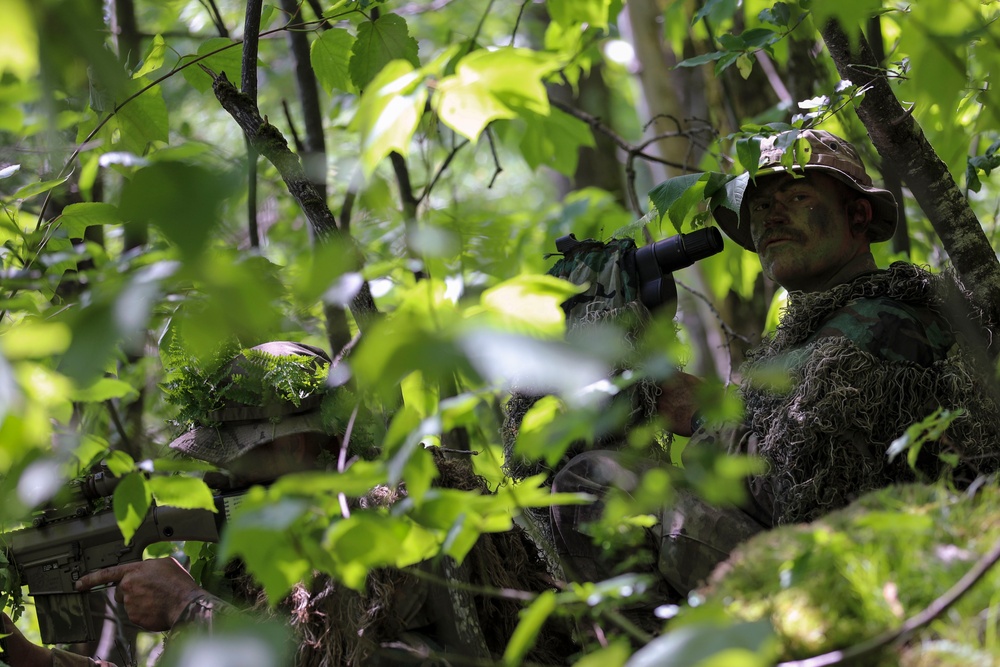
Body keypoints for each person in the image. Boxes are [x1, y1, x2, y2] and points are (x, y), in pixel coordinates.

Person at [547, 129, 1000, 598]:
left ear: (858, 215)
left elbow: (799, 489)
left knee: (591, 481)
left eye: (798, 195)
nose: (772, 216)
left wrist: (703, 415)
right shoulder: (818, 331)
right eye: (760, 206)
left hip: (849, 579)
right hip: (826, 562)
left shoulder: (882, 321)